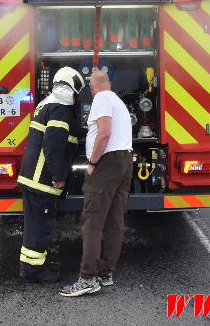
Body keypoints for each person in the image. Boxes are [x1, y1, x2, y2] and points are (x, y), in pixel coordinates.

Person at [59, 70, 133, 297]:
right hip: (124, 160)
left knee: (92, 221)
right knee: (114, 219)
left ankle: (87, 278)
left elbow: (104, 134)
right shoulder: (117, 101)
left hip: (107, 163)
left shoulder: (101, 98)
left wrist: (92, 162)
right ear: (108, 83)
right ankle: (105, 272)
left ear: (92, 88)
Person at [17, 66, 84, 283]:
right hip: (42, 179)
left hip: (33, 177)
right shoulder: (60, 108)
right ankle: (34, 271)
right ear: (73, 88)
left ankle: (36, 264)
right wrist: (58, 176)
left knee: (35, 224)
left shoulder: (46, 104)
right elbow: (53, 145)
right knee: (40, 226)